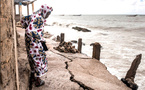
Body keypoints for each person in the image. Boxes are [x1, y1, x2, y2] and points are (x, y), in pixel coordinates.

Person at [21, 4, 53, 87]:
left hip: (29, 42)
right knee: (39, 59)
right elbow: (29, 31)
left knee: (32, 58)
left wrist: (25, 25)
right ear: (44, 11)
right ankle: (38, 81)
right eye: (48, 13)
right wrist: (40, 38)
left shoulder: (35, 15)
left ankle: (32, 77)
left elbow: (24, 19)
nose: (48, 16)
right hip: (34, 43)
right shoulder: (39, 18)